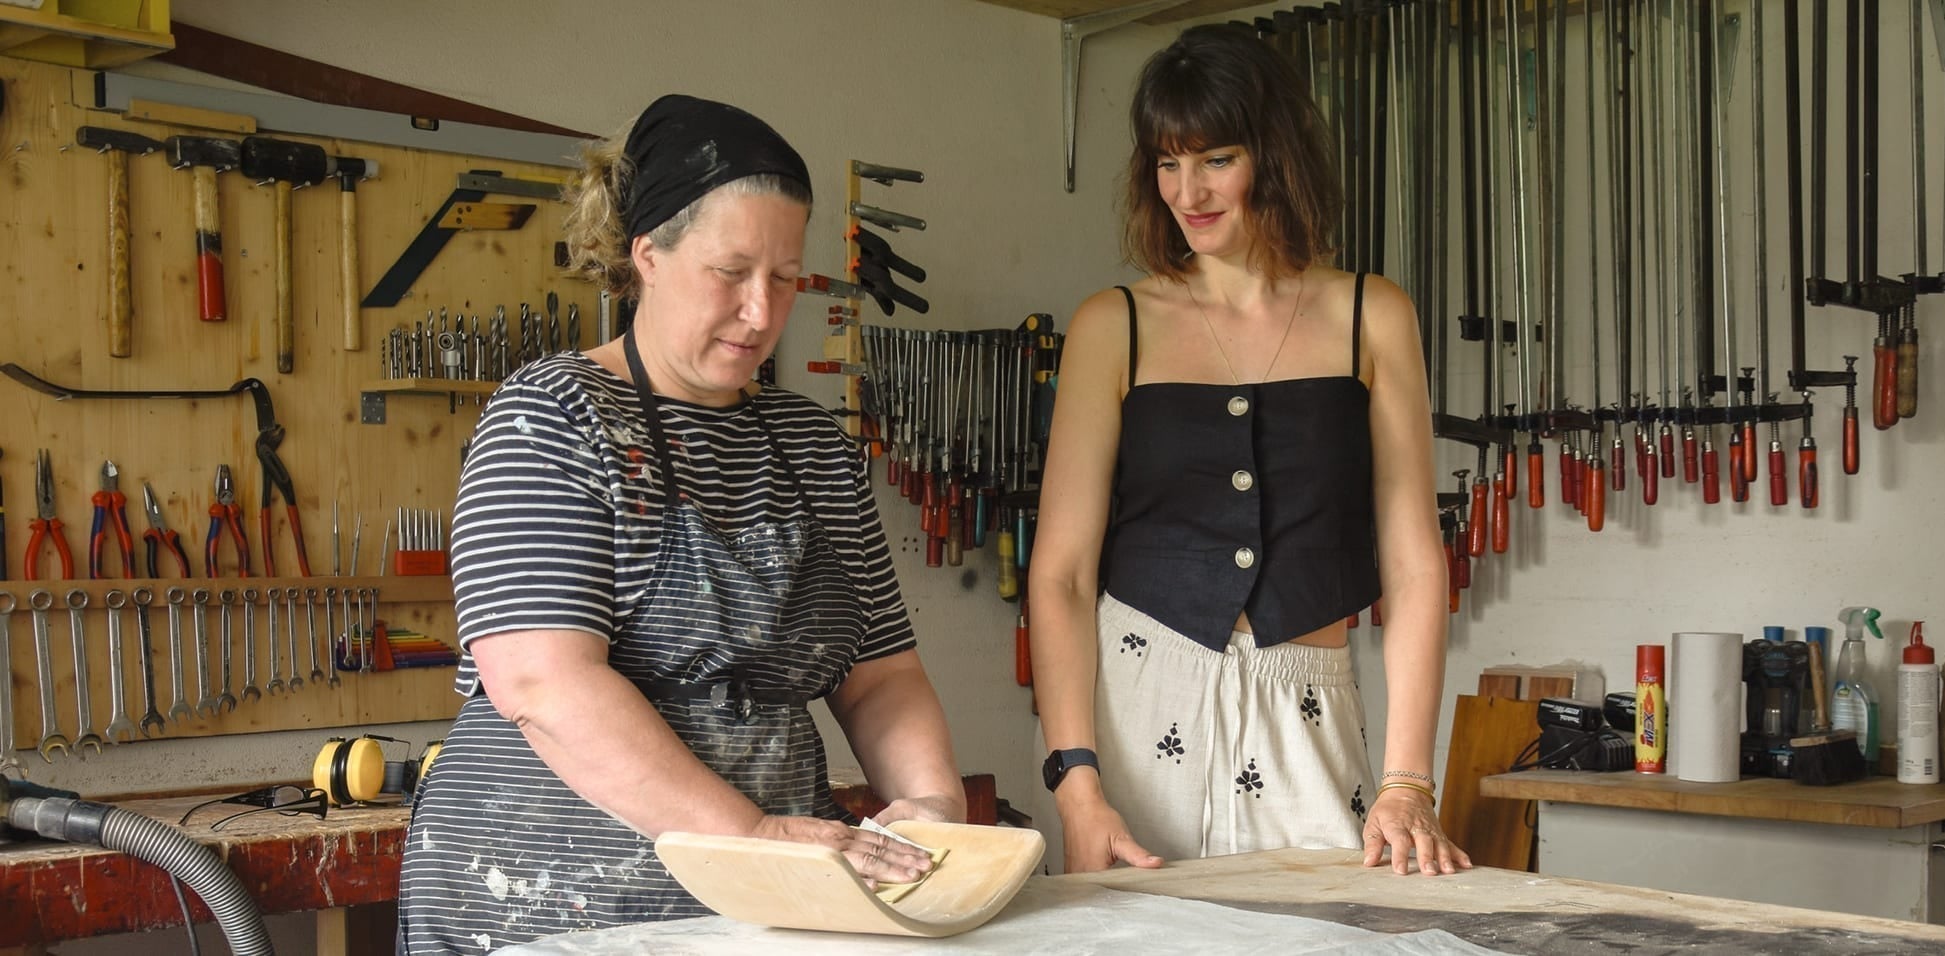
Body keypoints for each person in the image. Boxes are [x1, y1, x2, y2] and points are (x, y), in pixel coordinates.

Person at [397, 94, 964, 953]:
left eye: (785, 278)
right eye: (731, 273)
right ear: (648, 255)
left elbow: (879, 674)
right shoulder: (551, 418)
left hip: (764, 904)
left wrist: (932, 806)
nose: (762, 312)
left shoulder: (810, 443)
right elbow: (545, 685)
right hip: (547, 901)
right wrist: (750, 835)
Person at [1029, 24, 1473, 878]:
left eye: (1214, 160)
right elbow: (1061, 576)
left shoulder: (1371, 314)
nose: (1186, 191)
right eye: (1166, 163)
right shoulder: (1110, 325)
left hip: (1307, 700)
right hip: (1137, 700)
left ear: (1273, 155)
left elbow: (1416, 562)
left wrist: (1409, 779)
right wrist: (1075, 781)